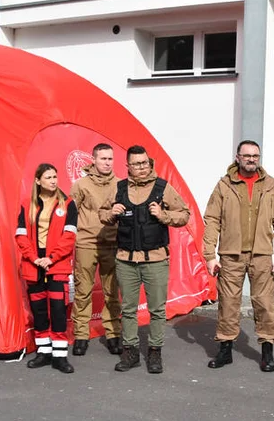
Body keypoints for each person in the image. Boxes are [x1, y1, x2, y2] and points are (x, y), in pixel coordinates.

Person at [98, 145, 190, 374]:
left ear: (150, 164)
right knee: (128, 309)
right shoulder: (118, 189)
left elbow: (184, 214)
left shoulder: (162, 188)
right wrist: (111, 214)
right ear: (127, 165)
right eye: (136, 164)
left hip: (155, 260)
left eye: (144, 163)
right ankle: (130, 352)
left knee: (157, 310)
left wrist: (163, 215)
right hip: (125, 259)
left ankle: (154, 352)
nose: (141, 168)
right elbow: (101, 212)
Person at [202, 140, 274, 372]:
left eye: (255, 156)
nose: (251, 159)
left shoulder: (270, 185)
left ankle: (267, 352)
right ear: (238, 157)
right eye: (247, 155)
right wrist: (209, 255)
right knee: (228, 303)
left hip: (262, 255)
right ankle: (225, 350)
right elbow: (211, 219)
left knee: (265, 303)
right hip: (231, 255)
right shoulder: (224, 185)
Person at [16, 163, 78, 374]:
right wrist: (35, 258)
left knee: (59, 311)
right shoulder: (27, 205)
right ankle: (44, 352)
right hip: (34, 266)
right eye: (49, 177)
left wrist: (51, 258)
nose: (53, 180)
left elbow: (69, 237)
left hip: (57, 265)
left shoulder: (68, 204)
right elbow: (21, 235)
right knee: (39, 311)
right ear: (38, 180)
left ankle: (60, 357)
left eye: (55, 176)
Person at [69, 143, 123, 357]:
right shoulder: (81, 185)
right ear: (93, 160)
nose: (107, 163)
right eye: (103, 159)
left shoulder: (121, 185)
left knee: (112, 292)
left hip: (112, 242)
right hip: (86, 242)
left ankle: (113, 334)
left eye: (110, 159)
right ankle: (81, 335)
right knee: (83, 291)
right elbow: (70, 214)